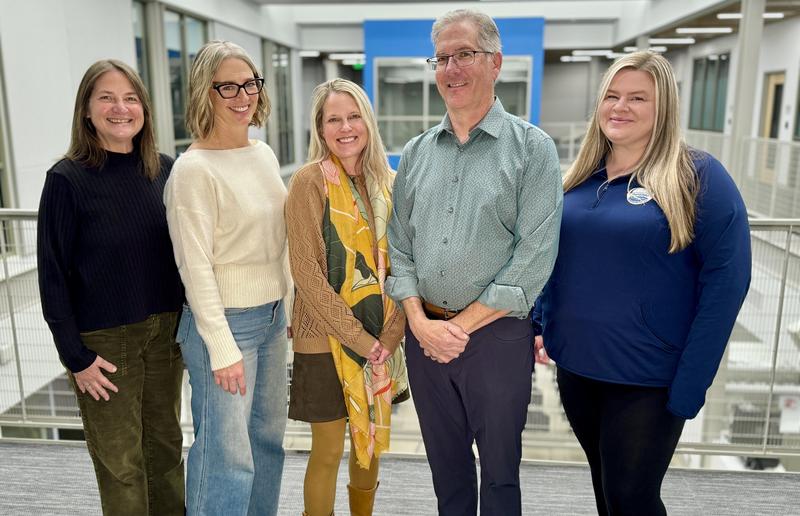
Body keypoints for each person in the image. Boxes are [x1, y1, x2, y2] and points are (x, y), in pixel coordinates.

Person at [532, 51, 751, 515]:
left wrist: (693, 381)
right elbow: (553, 260)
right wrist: (541, 323)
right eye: (611, 95)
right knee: (607, 491)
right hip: (577, 369)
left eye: (637, 98)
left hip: (648, 379)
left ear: (663, 107)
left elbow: (726, 284)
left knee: (633, 498)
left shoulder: (699, 177)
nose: (620, 106)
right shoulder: (578, 179)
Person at [387, 9, 563, 516]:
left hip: (496, 338)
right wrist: (420, 322)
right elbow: (398, 245)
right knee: (447, 470)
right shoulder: (417, 151)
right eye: (442, 57)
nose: (451, 68)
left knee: (501, 474)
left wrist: (456, 329)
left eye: (465, 54)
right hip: (425, 341)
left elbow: (533, 259)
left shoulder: (533, 150)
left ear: (496, 63)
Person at [37, 59, 185, 515]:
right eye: (107, 97)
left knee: (165, 451)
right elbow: (52, 274)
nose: (121, 108)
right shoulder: (66, 180)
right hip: (103, 345)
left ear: (144, 107)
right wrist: (75, 357)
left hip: (165, 335)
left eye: (130, 97)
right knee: (121, 463)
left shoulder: (165, 170)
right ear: (86, 110)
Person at [164, 40, 290, 516]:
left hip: (273, 320)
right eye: (228, 87)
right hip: (226, 327)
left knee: (268, 445)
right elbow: (193, 266)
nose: (243, 96)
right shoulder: (193, 171)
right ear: (205, 93)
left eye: (250, 83)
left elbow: (278, 240)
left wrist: (290, 309)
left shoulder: (262, 154)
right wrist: (220, 346)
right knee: (226, 458)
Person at [286, 78, 408, 516]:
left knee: (369, 448)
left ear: (368, 122)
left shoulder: (390, 183)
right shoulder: (308, 182)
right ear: (320, 130)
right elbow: (307, 272)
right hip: (324, 339)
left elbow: (405, 267)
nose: (345, 127)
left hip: (382, 340)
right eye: (333, 119)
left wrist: (390, 338)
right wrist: (361, 340)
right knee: (327, 452)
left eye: (353, 116)